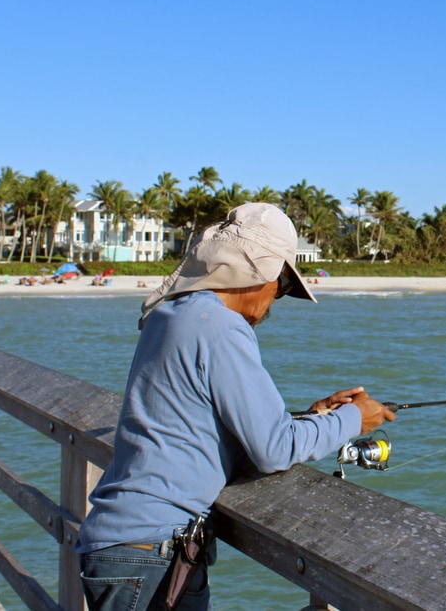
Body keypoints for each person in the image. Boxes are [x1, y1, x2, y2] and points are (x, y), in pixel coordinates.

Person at [77, 203, 394, 611]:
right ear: (260, 271)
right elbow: (273, 450)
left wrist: (313, 418)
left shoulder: (173, 314)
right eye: (281, 286)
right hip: (151, 550)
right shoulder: (222, 327)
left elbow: (197, 422)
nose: (274, 301)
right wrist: (354, 418)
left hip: (120, 541)